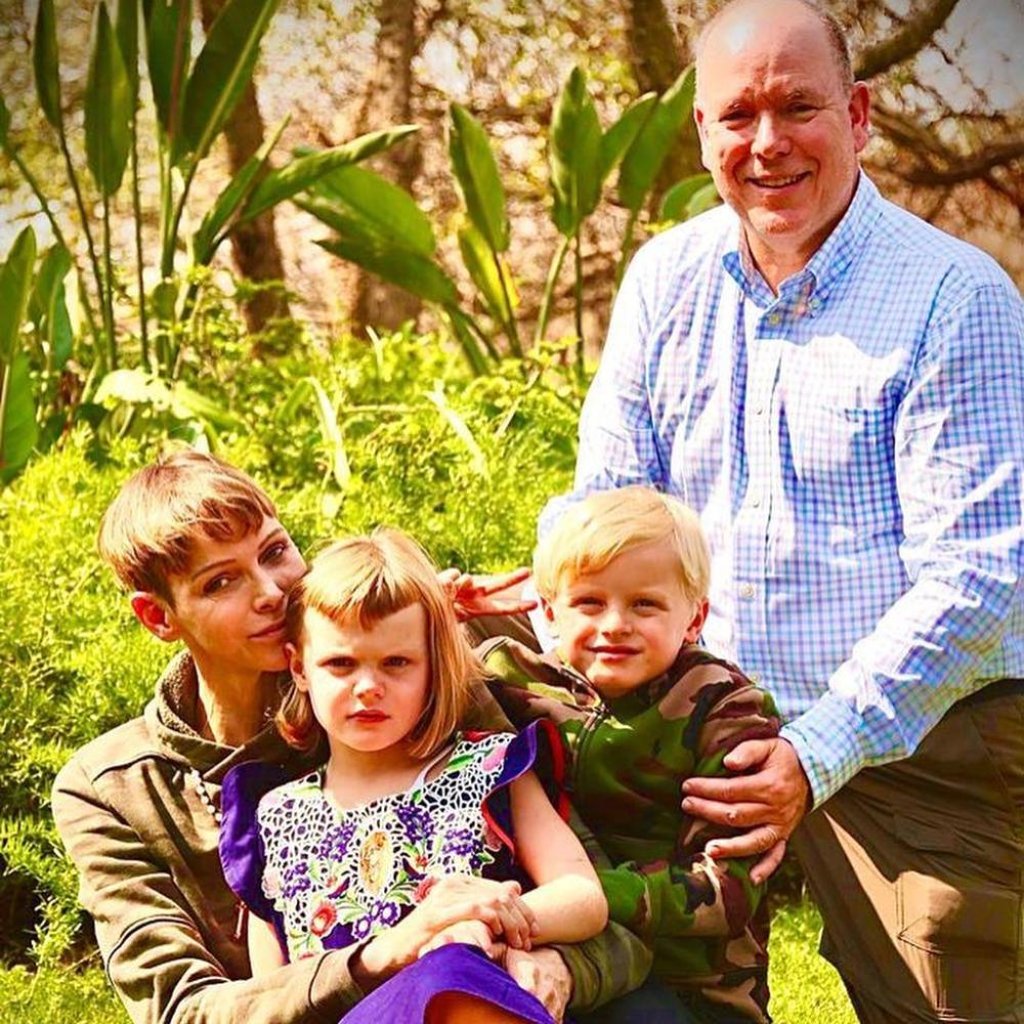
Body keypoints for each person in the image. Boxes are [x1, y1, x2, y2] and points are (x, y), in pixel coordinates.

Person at [547, 1, 1024, 1021]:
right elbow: (607, 506)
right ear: (703, 130)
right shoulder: (664, 279)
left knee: (952, 1000)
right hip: (687, 726)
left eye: (798, 107)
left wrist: (815, 752)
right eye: (737, 115)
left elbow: (981, 576)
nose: (766, 143)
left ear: (856, 116)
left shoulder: (954, 296)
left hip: (917, 740)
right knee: (585, 963)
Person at [51, 450, 650, 1024]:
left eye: (275, 551)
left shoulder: (419, 695)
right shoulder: (112, 790)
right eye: (220, 583)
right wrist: (383, 954)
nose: (271, 591)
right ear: (159, 617)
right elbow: (184, 1012)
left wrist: (557, 964)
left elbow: (607, 915)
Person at [220, 529, 609, 1023]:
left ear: (432, 667)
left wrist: (486, 924)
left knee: (450, 972)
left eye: (397, 663)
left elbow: (583, 897)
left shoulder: (487, 767)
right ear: (299, 668)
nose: (368, 688)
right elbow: (274, 994)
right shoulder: (275, 816)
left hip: (470, 1001)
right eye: (340, 664)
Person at [480, 487, 780, 1024]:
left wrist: (589, 898)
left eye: (645, 604)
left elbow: (728, 890)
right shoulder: (513, 680)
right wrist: (439, 602)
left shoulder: (725, 711)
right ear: (549, 612)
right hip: (558, 951)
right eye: (589, 603)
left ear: (694, 618)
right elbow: (405, 674)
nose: (615, 624)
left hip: (693, 983)